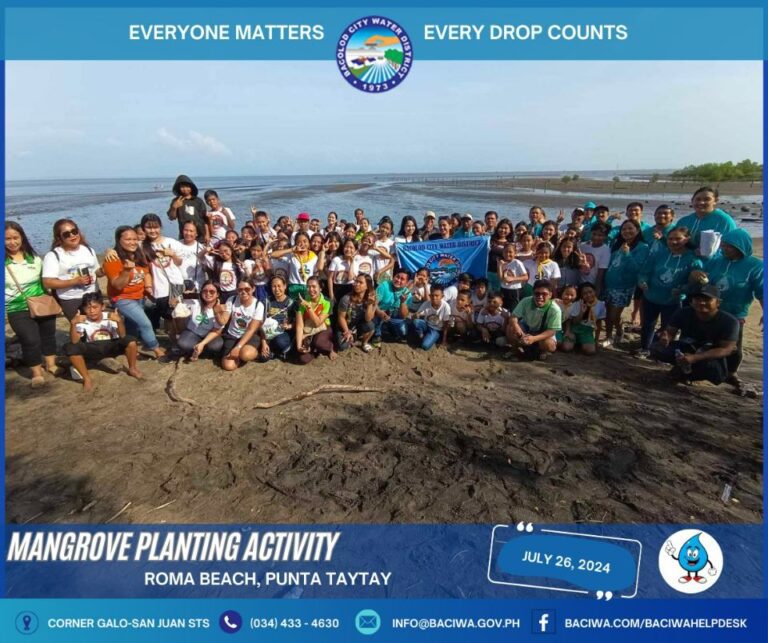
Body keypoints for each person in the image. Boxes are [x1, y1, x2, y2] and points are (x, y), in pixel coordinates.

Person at [703, 228, 764, 395]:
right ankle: (704, 370)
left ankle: (731, 373)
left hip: (735, 313)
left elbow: (761, 292)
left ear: (740, 246)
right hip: (710, 310)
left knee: (733, 346)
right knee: (706, 340)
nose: (724, 249)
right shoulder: (716, 261)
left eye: (729, 246)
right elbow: (706, 281)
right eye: (723, 245)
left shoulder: (755, 266)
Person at [5, 221, 59, 386]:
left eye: (15, 237)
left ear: (22, 237)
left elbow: (47, 280)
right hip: (16, 308)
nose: (12, 242)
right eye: (7, 239)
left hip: (42, 303)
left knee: (48, 335)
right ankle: (36, 372)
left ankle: (51, 364)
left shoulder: (34, 258)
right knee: (30, 339)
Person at [652, 284, 739, 386]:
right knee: (657, 348)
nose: (701, 302)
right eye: (697, 299)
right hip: (687, 347)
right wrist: (666, 339)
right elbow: (670, 332)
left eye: (707, 299)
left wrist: (696, 357)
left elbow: (726, 349)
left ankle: (692, 376)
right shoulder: (683, 312)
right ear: (691, 301)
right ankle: (682, 369)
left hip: (710, 354)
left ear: (718, 302)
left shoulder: (730, 321)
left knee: (717, 374)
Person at [637, 226, 703, 355]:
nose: (673, 242)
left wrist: (683, 289)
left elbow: (695, 285)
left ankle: (664, 352)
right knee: (647, 324)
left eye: (678, 239)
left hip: (673, 301)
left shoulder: (693, 260)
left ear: (687, 239)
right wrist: (642, 281)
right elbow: (644, 272)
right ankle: (645, 348)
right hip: (651, 296)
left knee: (669, 328)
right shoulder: (659, 254)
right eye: (670, 239)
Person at [102, 226, 164, 358]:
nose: (133, 242)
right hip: (122, 298)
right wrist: (125, 271)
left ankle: (131, 349)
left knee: (132, 324)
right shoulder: (113, 259)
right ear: (119, 240)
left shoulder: (138, 254)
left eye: (135, 239)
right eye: (128, 239)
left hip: (140, 296)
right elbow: (117, 285)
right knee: (145, 323)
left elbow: (146, 272)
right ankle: (156, 349)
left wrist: (148, 287)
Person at [63, 292, 143, 391]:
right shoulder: (82, 320)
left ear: (102, 306)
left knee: (130, 341)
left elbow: (122, 336)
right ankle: (87, 379)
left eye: (95, 307)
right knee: (71, 348)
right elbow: (75, 341)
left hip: (111, 346)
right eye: (88, 308)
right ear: (83, 309)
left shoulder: (110, 316)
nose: (92, 311)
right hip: (93, 348)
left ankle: (132, 369)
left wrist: (119, 321)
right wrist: (73, 324)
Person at [42, 218, 101, 320]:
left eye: (74, 231)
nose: (72, 236)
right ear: (59, 237)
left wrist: (104, 270)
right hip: (71, 299)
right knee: (80, 329)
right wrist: (74, 281)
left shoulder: (88, 249)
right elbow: (48, 282)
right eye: (66, 234)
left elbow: (96, 271)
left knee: (97, 327)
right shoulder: (53, 255)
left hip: (93, 294)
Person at [603, 220, 649, 348]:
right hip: (609, 284)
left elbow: (637, 269)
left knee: (614, 314)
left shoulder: (642, 247)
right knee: (608, 313)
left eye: (630, 229)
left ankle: (616, 332)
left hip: (624, 287)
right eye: (624, 229)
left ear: (638, 230)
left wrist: (627, 254)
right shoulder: (617, 244)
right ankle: (610, 335)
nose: (626, 231)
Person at [138, 213, 186, 334]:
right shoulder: (141, 246)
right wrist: (108, 251)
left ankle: (182, 341)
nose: (153, 230)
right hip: (159, 287)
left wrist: (172, 254)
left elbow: (179, 262)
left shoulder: (171, 242)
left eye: (156, 227)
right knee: (168, 318)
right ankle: (174, 344)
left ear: (160, 227)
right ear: (143, 229)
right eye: (149, 227)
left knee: (179, 315)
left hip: (175, 284)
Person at [506, 279, 562, 360]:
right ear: (533, 293)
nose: (540, 296)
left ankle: (542, 351)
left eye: (544, 294)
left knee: (549, 345)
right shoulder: (526, 301)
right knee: (510, 328)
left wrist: (534, 339)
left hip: (543, 332)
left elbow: (552, 331)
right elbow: (513, 317)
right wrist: (517, 328)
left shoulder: (555, 309)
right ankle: (516, 350)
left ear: (550, 295)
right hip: (527, 327)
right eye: (537, 293)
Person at [217, 280, 265, 371]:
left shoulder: (258, 305)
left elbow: (251, 329)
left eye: (247, 289)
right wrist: (217, 313)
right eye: (240, 289)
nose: (243, 292)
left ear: (253, 289)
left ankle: (246, 353)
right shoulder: (232, 300)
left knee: (246, 354)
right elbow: (223, 321)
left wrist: (238, 347)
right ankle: (238, 356)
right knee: (228, 366)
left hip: (249, 336)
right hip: (232, 335)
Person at [675, 187, 736, 258]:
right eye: (698, 199)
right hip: (687, 259)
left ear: (715, 201)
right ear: (692, 201)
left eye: (707, 199)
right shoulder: (684, 221)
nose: (701, 202)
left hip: (715, 261)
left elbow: (732, 246)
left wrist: (710, 253)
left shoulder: (724, 221)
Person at [176, 281, 225, 361]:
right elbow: (175, 301)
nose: (208, 294)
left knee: (216, 346)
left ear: (218, 294)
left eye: (212, 291)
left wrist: (203, 343)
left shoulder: (221, 308)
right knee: (183, 344)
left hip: (210, 334)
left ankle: (199, 349)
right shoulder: (194, 302)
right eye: (205, 291)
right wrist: (182, 296)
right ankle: (196, 349)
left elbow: (218, 330)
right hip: (193, 332)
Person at [295, 276, 336, 364]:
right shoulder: (302, 301)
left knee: (319, 343)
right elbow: (299, 326)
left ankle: (330, 348)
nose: (311, 289)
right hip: (308, 329)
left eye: (314, 286)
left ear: (320, 288)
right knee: (303, 359)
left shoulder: (327, 302)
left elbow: (318, 323)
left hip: (322, 327)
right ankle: (314, 350)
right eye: (308, 287)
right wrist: (299, 347)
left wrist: (308, 307)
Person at [272, 231, 322, 300]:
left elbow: (318, 270)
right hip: (293, 287)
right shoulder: (292, 255)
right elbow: (273, 255)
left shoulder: (314, 257)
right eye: (299, 242)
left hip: (307, 288)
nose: (302, 244)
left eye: (305, 241)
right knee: (293, 308)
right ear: (296, 244)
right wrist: (291, 249)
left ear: (309, 243)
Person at [336, 274, 377, 353]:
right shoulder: (346, 299)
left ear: (367, 286)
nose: (356, 284)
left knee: (371, 326)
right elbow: (341, 317)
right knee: (342, 347)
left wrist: (369, 304)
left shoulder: (371, 298)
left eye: (360, 282)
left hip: (358, 326)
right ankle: (352, 338)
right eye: (356, 281)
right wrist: (347, 331)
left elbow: (368, 319)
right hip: (345, 326)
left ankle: (364, 343)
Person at [258, 275, 296, 361]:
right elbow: (260, 323)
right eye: (274, 286)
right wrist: (264, 342)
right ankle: (272, 351)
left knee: (280, 341)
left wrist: (290, 326)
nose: (277, 289)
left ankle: (278, 350)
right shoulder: (266, 302)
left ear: (285, 286)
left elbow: (297, 322)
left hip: (283, 333)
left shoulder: (292, 303)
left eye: (279, 286)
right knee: (263, 358)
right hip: (267, 333)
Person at [561, 282, 605, 355]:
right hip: (574, 328)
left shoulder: (601, 305)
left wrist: (596, 339)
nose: (588, 295)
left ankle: (580, 342)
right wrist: (581, 312)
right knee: (566, 348)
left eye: (590, 292)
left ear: (595, 291)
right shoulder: (577, 303)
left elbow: (598, 323)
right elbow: (572, 321)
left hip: (587, 330)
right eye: (585, 293)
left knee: (590, 351)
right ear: (581, 295)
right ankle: (575, 340)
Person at [374, 267, 412, 345]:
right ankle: (377, 334)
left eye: (402, 279)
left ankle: (386, 330)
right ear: (393, 276)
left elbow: (404, 316)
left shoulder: (408, 294)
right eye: (397, 277)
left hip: (394, 317)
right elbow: (374, 303)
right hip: (380, 314)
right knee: (374, 320)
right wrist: (379, 312)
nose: (398, 280)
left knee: (403, 332)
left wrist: (402, 302)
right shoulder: (384, 286)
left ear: (407, 282)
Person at [167, 175, 207, 240]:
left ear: (191, 187)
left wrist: (207, 234)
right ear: (179, 188)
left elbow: (205, 219)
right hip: (185, 235)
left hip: (200, 235)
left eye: (187, 186)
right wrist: (174, 207)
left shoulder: (198, 201)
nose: (185, 189)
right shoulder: (176, 201)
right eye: (182, 187)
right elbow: (172, 217)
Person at [412, 284, 450, 350]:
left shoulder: (446, 307)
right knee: (416, 322)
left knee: (425, 346)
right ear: (430, 295)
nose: (434, 298)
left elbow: (446, 325)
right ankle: (421, 335)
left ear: (442, 296)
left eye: (437, 296)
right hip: (426, 325)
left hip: (436, 329)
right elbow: (415, 316)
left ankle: (433, 337)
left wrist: (444, 340)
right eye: (432, 295)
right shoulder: (426, 303)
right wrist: (415, 315)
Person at [579, 222, 611, 296]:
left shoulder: (605, 250)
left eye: (600, 235)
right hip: (580, 283)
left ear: (605, 236)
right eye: (594, 234)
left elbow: (601, 273)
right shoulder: (583, 246)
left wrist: (596, 291)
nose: (596, 237)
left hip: (592, 285)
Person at [178, 221, 208, 296]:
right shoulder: (176, 245)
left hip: (196, 287)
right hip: (179, 286)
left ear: (196, 233)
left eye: (191, 231)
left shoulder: (201, 248)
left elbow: (207, 268)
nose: (188, 233)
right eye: (186, 230)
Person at [497, 243, 527, 311]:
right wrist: (499, 266)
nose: (508, 254)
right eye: (505, 252)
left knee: (514, 310)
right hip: (503, 289)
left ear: (515, 253)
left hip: (515, 291)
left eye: (510, 252)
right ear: (503, 253)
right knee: (503, 310)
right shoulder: (501, 263)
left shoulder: (517, 263)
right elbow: (500, 278)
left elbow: (525, 277)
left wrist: (513, 278)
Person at [327, 238, 357, 306]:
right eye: (346, 247)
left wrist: (351, 263)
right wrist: (331, 294)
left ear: (355, 250)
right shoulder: (336, 260)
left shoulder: (356, 262)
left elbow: (350, 278)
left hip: (349, 289)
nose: (348, 249)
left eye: (351, 247)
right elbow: (330, 278)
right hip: (336, 288)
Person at [488, 218, 513, 291]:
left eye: (506, 228)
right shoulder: (490, 239)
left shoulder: (512, 243)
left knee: (499, 296)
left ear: (510, 230)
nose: (503, 230)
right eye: (501, 228)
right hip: (489, 272)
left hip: (502, 274)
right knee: (489, 294)